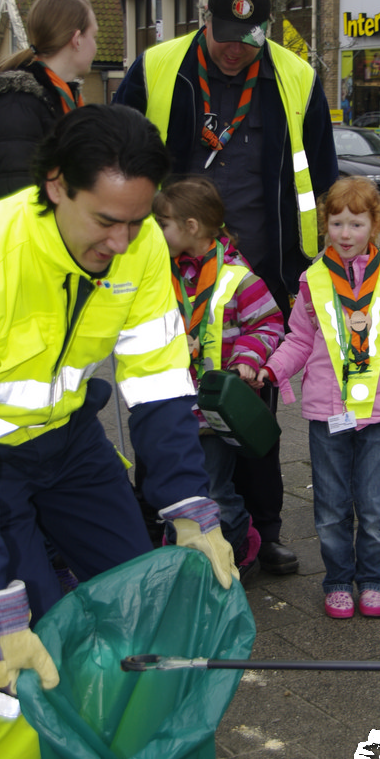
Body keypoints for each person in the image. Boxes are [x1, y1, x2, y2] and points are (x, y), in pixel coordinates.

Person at [0, 104, 235, 759]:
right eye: (106, 220)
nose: (122, 241)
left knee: (139, 590)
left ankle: (121, 757)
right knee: (26, 630)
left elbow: (159, 381)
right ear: (55, 185)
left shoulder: (140, 246)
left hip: (68, 437)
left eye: (137, 222)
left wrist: (189, 505)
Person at [114, 0, 339, 575]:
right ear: (205, 20)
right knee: (164, 401)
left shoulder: (295, 77)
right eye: (225, 35)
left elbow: (322, 174)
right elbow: (115, 156)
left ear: (265, 30)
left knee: (252, 409)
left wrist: (324, 260)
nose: (235, 49)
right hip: (169, 273)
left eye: (249, 37)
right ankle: (157, 522)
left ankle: (263, 528)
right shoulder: (158, 68)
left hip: (259, 276)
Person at [258, 177, 380, 618]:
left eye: (356, 224)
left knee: (372, 507)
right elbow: (299, 339)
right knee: (331, 507)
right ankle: (337, 580)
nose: (346, 233)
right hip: (327, 411)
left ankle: (372, 579)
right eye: (337, 223)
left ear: (375, 225)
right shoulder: (313, 281)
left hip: (379, 410)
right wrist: (273, 368)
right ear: (325, 225)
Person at [154, 176, 284, 581]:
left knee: (215, 488)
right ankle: (186, 556)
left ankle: (239, 540)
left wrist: (247, 358)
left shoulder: (237, 276)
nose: (157, 233)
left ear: (191, 227)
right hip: (173, 407)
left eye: (163, 224)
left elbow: (269, 323)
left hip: (214, 413)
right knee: (174, 489)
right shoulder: (164, 274)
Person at [0, 0, 98, 207]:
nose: (95, 46)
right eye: (94, 36)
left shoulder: (52, 99)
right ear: (76, 40)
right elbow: (16, 204)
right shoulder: (16, 108)